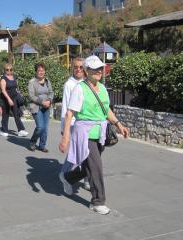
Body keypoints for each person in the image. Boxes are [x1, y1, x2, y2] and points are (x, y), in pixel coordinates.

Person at [58, 55, 129, 215]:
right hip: (85, 134)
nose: (99, 71)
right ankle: (98, 201)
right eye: (95, 68)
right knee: (96, 167)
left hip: (101, 133)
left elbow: (106, 110)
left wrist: (119, 124)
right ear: (86, 70)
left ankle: (68, 178)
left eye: (100, 68)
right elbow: (70, 113)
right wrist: (65, 137)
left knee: (89, 167)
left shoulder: (103, 88)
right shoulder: (79, 88)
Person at [60, 58, 91, 191]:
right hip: (73, 125)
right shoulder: (69, 84)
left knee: (87, 152)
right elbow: (66, 107)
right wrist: (64, 129)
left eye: (80, 67)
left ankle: (87, 179)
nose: (78, 69)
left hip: (87, 124)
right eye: (75, 67)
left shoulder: (87, 83)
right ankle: (64, 174)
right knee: (75, 153)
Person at [27, 63, 53, 152]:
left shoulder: (47, 81)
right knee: (40, 127)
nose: (41, 72)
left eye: (42, 70)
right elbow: (31, 96)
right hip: (36, 107)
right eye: (39, 70)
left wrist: (49, 100)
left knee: (45, 128)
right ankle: (32, 142)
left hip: (47, 107)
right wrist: (42, 102)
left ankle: (42, 145)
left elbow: (51, 92)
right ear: (36, 72)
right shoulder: (32, 82)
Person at [0, 63, 28, 137]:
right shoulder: (3, 78)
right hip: (5, 98)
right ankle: (3, 130)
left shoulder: (14, 77)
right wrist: (8, 99)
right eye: (7, 70)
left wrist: (19, 93)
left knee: (16, 114)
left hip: (14, 97)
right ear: (4, 70)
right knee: (5, 115)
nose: (9, 71)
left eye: (11, 69)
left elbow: (16, 87)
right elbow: (3, 90)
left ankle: (21, 130)